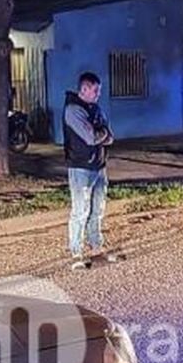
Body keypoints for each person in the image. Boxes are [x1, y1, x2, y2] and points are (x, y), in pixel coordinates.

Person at [63, 71, 117, 269]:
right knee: (80, 211)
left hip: (99, 165)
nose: (97, 94)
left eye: (99, 90)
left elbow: (110, 137)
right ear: (84, 89)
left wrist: (100, 133)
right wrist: (101, 133)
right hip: (81, 167)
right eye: (95, 90)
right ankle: (76, 252)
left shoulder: (94, 108)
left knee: (98, 210)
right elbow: (91, 138)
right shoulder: (73, 110)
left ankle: (96, 247)